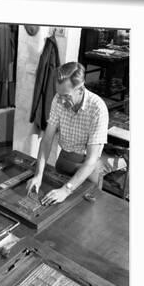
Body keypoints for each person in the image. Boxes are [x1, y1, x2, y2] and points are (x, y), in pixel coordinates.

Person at [26, 61, 122, 206]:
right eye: (59, 95)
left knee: (82, 214)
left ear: (80, 89)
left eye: (66, 96)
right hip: (65, 158)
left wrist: (66, 190)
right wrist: (38, 174)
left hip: (88, 168)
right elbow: (46, 140)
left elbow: (91, 161)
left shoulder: (98, 108)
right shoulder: (58, 100)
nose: (62, 101)